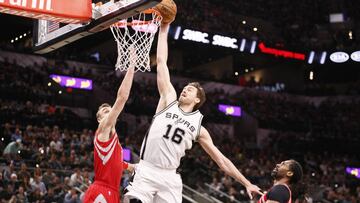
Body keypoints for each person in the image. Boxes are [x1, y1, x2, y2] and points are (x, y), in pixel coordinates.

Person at [124, 22, 263, 203]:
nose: (185, 90)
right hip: (147, 170)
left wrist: (247, 183)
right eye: (185, 87)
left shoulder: (199, 128)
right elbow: (161, 62)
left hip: (169, 177)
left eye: (190, 90)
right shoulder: (168, 100)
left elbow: (222, 161)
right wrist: (164, 29)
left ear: (197, 100)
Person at [83, 61, 136, 202]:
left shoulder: (116, 149)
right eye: (105, 111)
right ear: (100, 119)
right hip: (101, 191)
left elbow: (127, 166)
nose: (110, 112)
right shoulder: (103, 131)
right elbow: (122, 98)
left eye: (110, 110)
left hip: (112, 193)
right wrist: (131, 67)